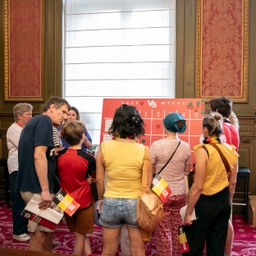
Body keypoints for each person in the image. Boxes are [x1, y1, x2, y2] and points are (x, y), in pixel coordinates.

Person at [96, 104, 152, 256]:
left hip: (110, 201)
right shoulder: (144, 150)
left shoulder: (104, 147)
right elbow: (147, 184)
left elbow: (99, 180)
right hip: (135, 203)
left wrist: (100, 199)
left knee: (107, 250)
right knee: (138, 250)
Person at [15, 96, 70, 252]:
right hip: (37, 188)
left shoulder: (37, 122)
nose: (65, 117)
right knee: (39, 235)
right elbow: (38, 156)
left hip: (39, 186)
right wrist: (45, 190)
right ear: (52, 107)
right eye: (63, 112)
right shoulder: (43, 121)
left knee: (47, 232)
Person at [184, 113, 239, 256]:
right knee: (216, 247)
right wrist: (228, 201)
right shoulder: (231, 150)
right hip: (223, 201)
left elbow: (198, 187)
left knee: (194, 244)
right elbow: (232, 182)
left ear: (205, 130)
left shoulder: (204, 151)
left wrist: (188, 212)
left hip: (205, 202)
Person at [150, 112, 191, 256]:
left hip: (162, 193)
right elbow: (187, 171)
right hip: (180, 193)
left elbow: (151, 170)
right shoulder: (186, 147)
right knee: (178, 228)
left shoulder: (156, 145)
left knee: (163, 229)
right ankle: (179, 253)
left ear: (165, 126)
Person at [57, 120, 95, 256]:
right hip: (83, 200)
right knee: (80, 235)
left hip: (65, 199)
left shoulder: (59, 156)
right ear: (82, 136)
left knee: (78, 232)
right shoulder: (89, 158)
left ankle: (89, 253)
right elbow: (94, 179)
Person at [208, 96, 240, 256]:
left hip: (221, 178)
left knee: (223, 220)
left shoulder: (222, 129)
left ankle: (225, 252)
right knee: (226, 218)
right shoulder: (233, 127)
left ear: (217, 111)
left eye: (210, 111)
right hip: (230, 174)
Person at [6, 103, 33, 242]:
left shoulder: (25, 128)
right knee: (18, 200)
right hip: (16, 168)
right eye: (28, 114)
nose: (31, 116)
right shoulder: (13, 130)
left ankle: (26, 226)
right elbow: (26, 147)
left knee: (27, 200)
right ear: (19, 115)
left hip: (25, 168)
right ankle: (18, 231)